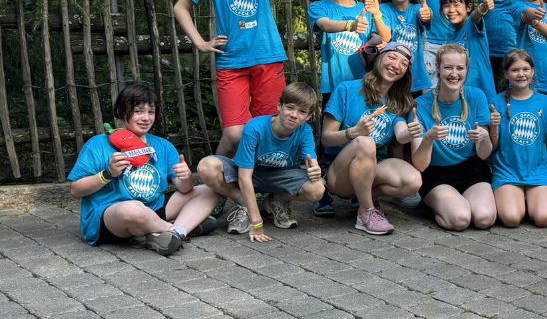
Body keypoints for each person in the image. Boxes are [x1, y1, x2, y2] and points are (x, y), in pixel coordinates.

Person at [173, 0, 286, 157]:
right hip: (231, 61)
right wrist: (200, 42)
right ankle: (215, 186)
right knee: (235, 133)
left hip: (267, 57)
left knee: (269, 129)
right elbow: (180, 7)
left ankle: (259, 189)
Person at [68, 84, 219, 255]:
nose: (146, 118)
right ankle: (179, 230)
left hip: (153, 208)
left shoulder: (163, 146)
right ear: (122, 111)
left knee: (210, 190)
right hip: (112, 215)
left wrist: (186, 177)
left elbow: (185, 189)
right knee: (133, 209)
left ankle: (162, 234)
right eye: (138, 111)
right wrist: (108, 174)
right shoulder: (99, 144)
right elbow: (75, 190)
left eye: (151, 112)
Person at [197, 83, 325, 242]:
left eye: (302, 111)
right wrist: (256, 220)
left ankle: (277, 200)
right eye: (290, 107)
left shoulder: (305, 131)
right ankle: (244, 204)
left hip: (280, 176)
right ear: (279, 105)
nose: (294, 114)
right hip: (251, 173)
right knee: (206, 166)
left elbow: (311, 161)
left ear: (309, 116)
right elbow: (244, 176)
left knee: (318, 188)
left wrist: (315, 169)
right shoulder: (255, 127)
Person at [319, 43, 423, 234]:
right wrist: (354, 132)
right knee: (365, 142)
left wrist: (413, 131)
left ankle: (363, 200)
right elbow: (326, 139)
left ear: (406, 72)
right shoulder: (346, 89)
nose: (396, 65)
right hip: (338, 172)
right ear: (379, 58)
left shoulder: (397, 101)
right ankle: (367, 212)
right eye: (392, 57)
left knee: (413, 181)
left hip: (371, 167)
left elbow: (400, 134)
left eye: (404, 63)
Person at [413, 44, 496, 231]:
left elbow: (483, 155)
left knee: (484, 219)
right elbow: (419, 165)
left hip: (471, 169)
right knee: (460, 220)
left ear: (467, 69)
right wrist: (428, 139)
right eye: (448, 67)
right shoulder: (421, 105)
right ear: (437, 67)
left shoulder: (476, 96)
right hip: (435, 173)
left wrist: (484, 137)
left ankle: (458, 202)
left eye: (460, 68)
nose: (454, 73)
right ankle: (434, 206)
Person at [490, 49, 547, 228]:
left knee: (543, 219)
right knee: (511, 219)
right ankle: (517, 199)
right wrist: (492, 126)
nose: (520, 74)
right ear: (506, 74)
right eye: (514, 70)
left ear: (533, 71)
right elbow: (493, 146)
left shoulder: (544, 102)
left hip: (538, 171)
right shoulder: (496, 102)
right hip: (508, 172)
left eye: (525, 69)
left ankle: (530, 198)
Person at [310, 0, 389, 104]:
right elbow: (325, 25)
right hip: (334, 86)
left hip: (366, 84)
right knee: (333, 127)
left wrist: (377, 14)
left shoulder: (366, 9)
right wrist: (350, 25)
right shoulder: (318, 7)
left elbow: (385, 37)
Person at [379, 0, 433, 95]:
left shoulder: (417, 9)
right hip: (391, 76)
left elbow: (426, 16)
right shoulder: (382, 10)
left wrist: (428, 14)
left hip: (415, 78)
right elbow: (384, 34)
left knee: (414, 114)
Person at [441, 0, 495, 100]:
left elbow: (476, 15)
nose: (451, 10)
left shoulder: (471, 25)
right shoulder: (449, 40)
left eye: (456, 5)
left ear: (469, 7)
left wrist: (483, 7)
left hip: (484, 94)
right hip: (461, 97)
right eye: (446, 5)